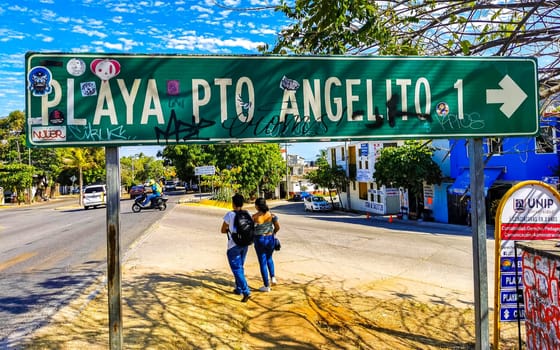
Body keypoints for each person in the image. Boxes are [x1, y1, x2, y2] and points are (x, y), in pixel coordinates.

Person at [220, 193, 251, 302]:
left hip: (234, 245)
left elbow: (223, 230)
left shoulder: (230, 215)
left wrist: (230, 230)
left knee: (237, 269)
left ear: (233, 204)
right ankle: (238, 288)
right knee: (240, 267)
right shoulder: (248, 213)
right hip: (245, 244)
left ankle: (246, 291)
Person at [252, 197, 280, 292]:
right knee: (269, 258)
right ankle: (273, 278)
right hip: (270, 238)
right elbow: (277, 227)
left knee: (262, 262)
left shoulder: (255, 217)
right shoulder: (271, 215)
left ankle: (266, 285)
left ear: (257, 206)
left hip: (260, 239)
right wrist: (273, 233)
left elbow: (251, 229)